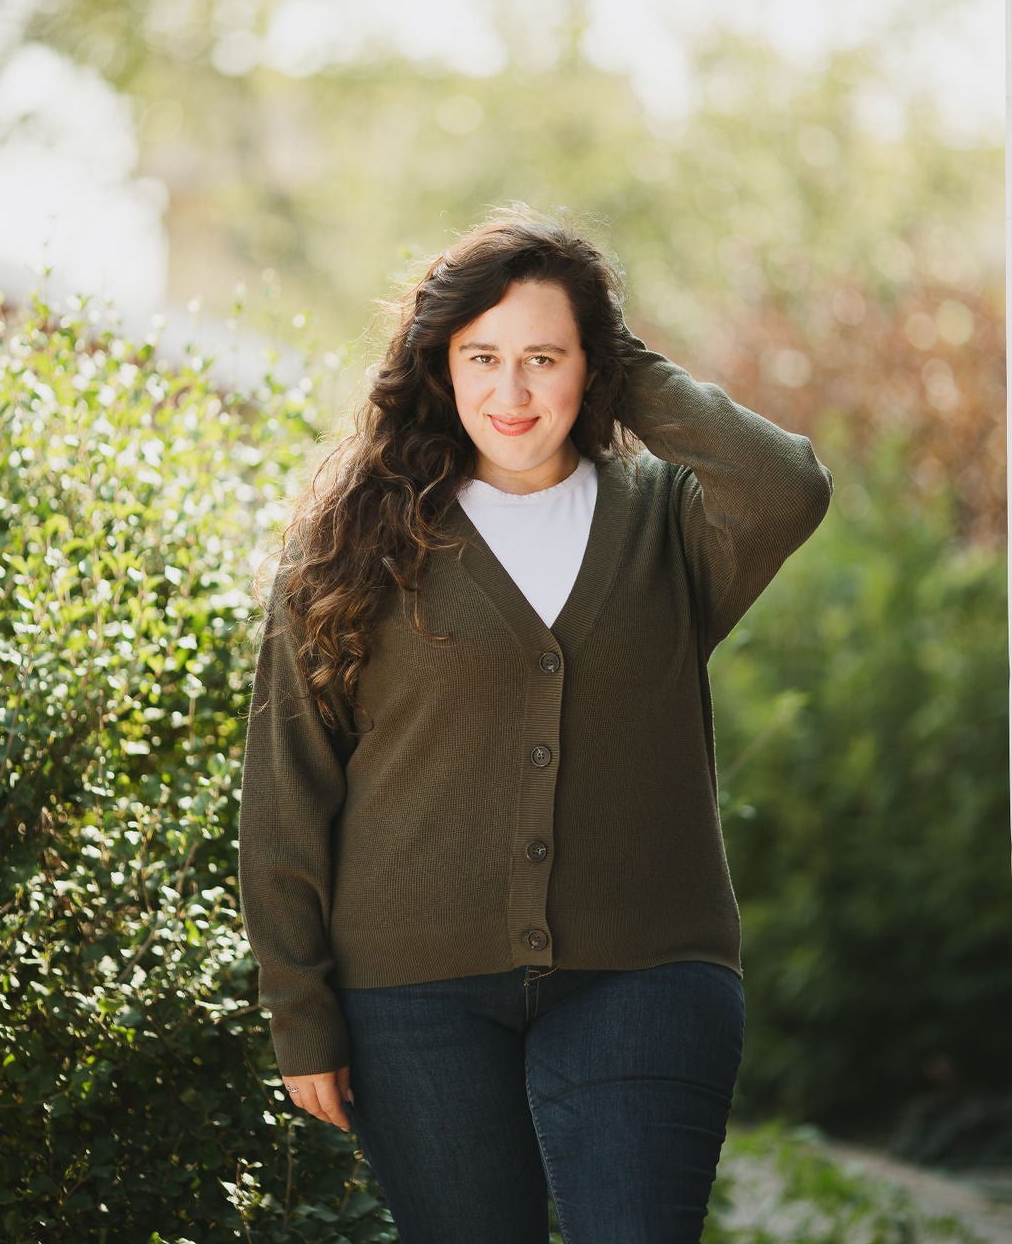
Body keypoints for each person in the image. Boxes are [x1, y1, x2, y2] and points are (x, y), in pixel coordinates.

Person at [237, 203, 833, 1244]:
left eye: (544, 358)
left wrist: (623, 364)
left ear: (590, 365)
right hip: (411, 996)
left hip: (646, 973)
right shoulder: (352, 542)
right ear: (439, 365)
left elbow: (785, 484)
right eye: (481, 357)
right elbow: (288, 790)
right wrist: (300, 1007)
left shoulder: (666, 525)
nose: (510, 393)